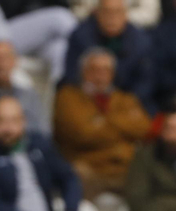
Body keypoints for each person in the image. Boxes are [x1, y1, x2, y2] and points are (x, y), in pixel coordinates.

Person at [52, 46, 151, 198]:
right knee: (77, 173)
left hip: (125, 169)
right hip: (90, 168)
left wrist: (103, 121)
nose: (100, 76)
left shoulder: (125, 98)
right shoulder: (68, 97)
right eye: (94, 70)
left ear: (113, 74)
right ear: (83, 72)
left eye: (106, 71)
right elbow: (82, 134)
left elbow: (143, 129)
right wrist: (123, 126)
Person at [62, 0, 154, 109]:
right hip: (85, 100)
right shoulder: (80, 36)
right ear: (96, 13)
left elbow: (145, 82)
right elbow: (71, 75)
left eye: (117, 12)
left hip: (124, 103)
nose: (112, 17)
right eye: (107, 12)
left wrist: (122, 101)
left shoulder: (140, 42)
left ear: (125, 15)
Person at [0, 39, 47, 134]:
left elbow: (43, 130)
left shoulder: (30, 96)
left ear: (14, 62)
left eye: (6, 58)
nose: (1, 63)